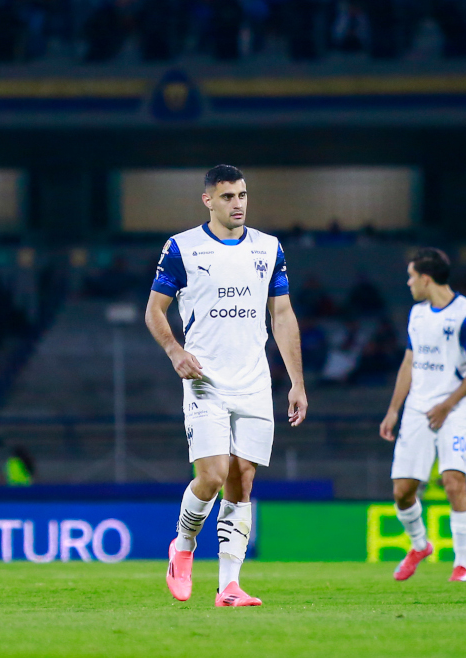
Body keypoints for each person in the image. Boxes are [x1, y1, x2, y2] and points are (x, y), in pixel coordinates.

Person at [147, 165, 307, 608]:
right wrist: (176, 352)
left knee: (243, 480)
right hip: (205, 382)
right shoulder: (182, 248)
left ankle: (229, 586)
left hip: (254, 382)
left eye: (242, 195)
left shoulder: (269, 248)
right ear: (208, 200)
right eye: (228, 197)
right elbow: (154, 311)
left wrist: (296, 381)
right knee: (213, 476)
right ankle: (182, 545)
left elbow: (282, 315)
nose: (238, 204)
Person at [379, 248, 466, 583]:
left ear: (426, 279)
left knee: (453, 481)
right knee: (402, 491)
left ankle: (461, 564)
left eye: (412, 276)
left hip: (454, 409)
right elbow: (409, 363)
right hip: (417, 408)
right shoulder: (418, 314)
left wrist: (448, 403)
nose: (409, 282)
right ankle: (419, 545)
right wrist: (394, 410)